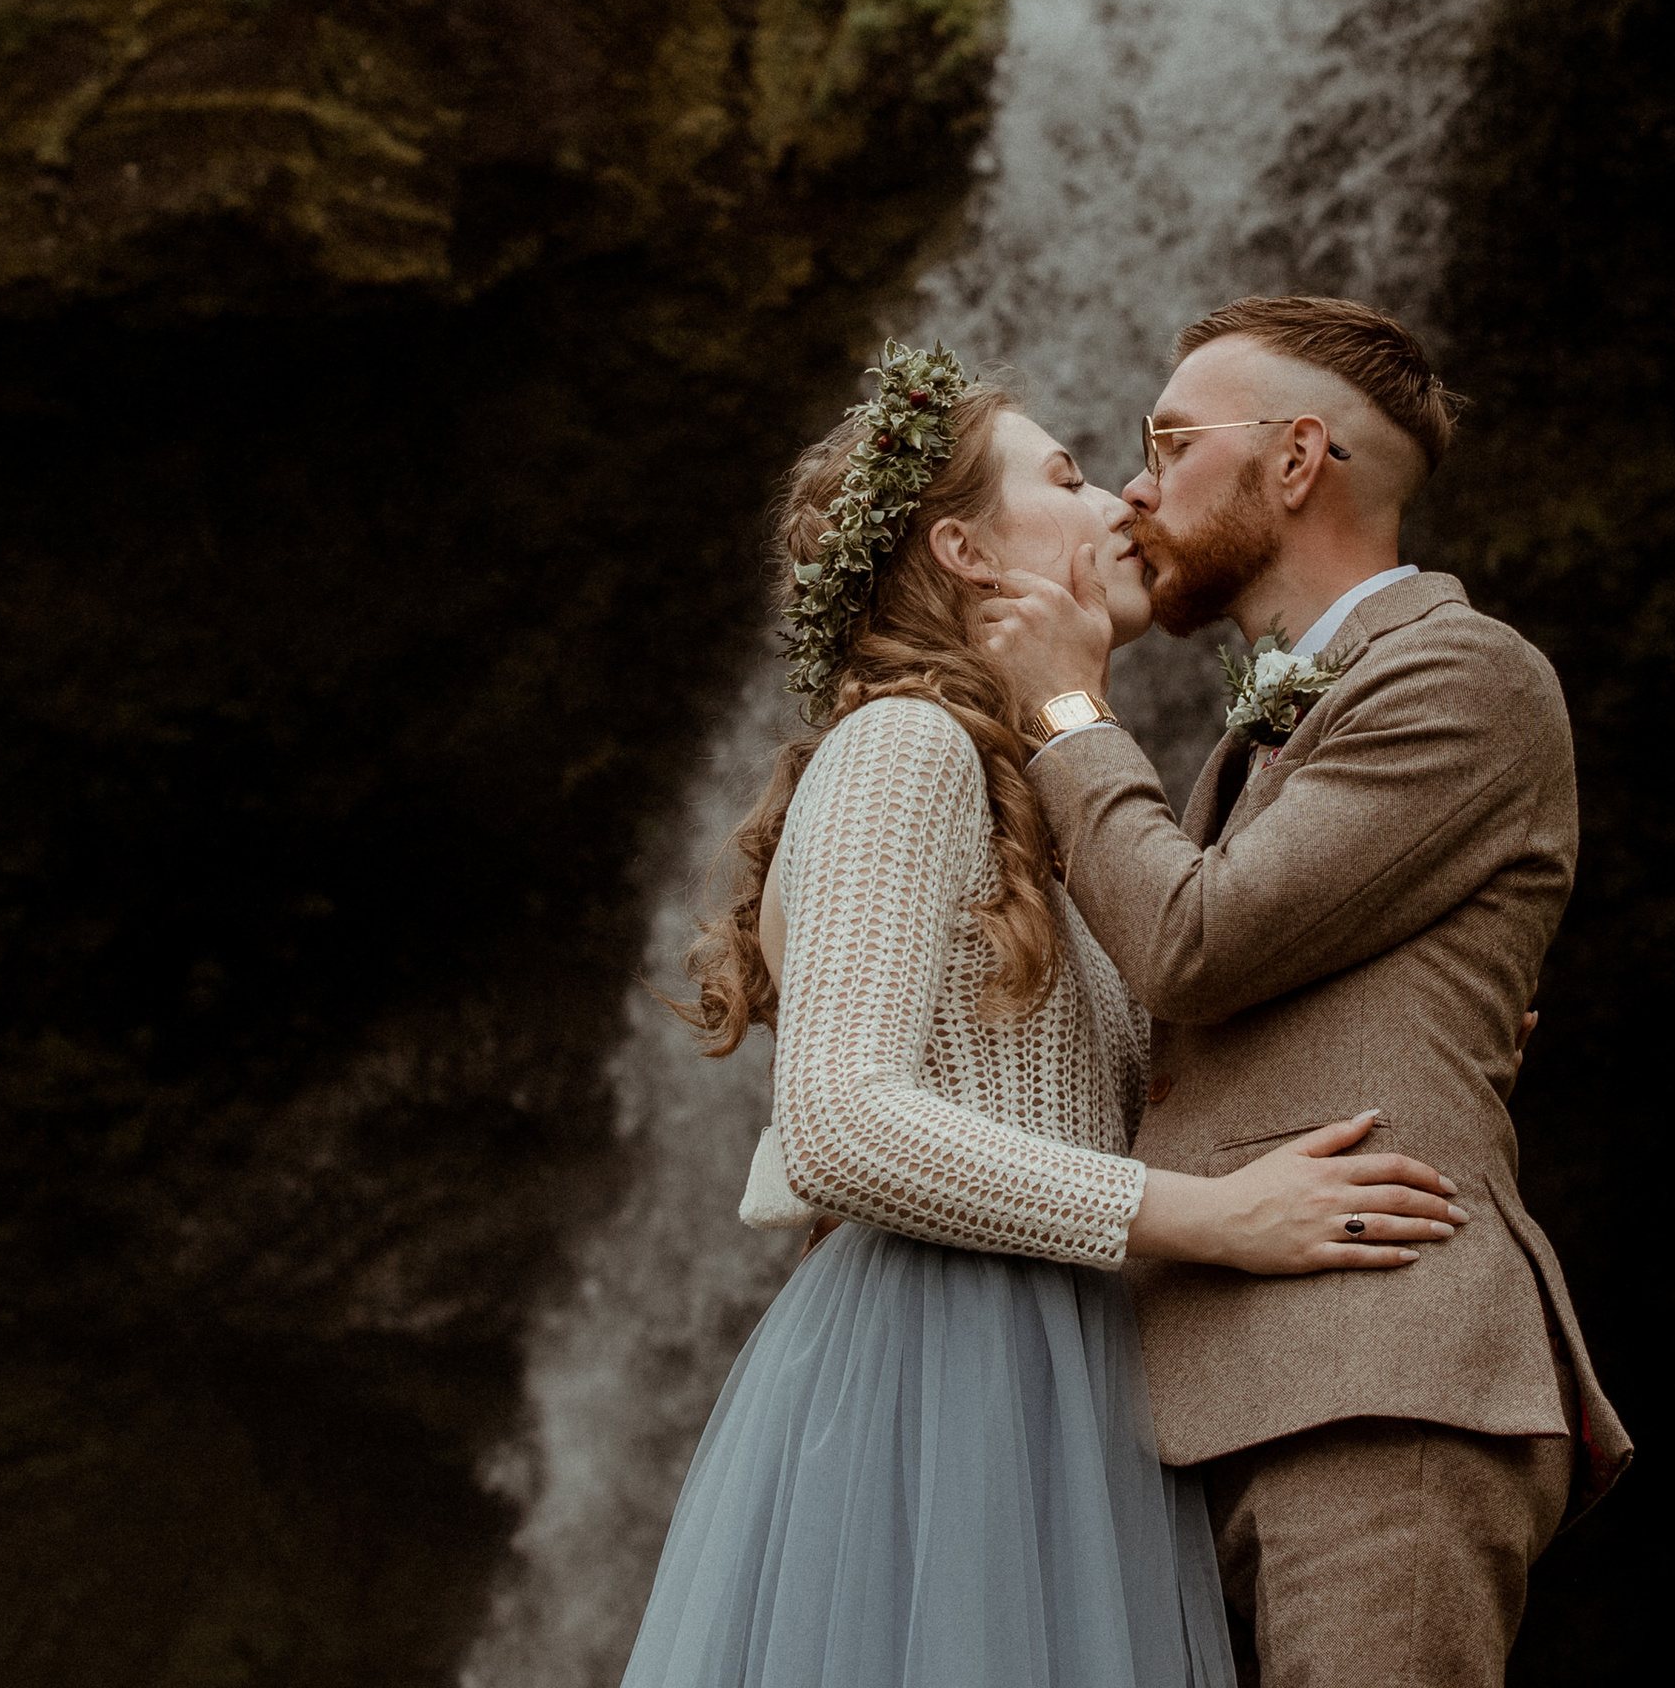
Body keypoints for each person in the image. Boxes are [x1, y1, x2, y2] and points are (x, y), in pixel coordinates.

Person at [616, 337, 1471, 1688]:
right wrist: (1217, 1219)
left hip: (1068, 1374)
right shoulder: (906, 745)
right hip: (944, 1374)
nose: (1125, 500)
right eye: (1072, 474)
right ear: (966, 553)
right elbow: (838, 1126)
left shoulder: (1049, 809)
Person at [977, 292, 1632, 1688]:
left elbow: (1195, 946)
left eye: (1168, 439)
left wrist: (1064, 712)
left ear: (1294, 461)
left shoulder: (1464, 669)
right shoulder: (1266, 725)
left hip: (1372, 1378)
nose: (1135, 485)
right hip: (1199, 1390)